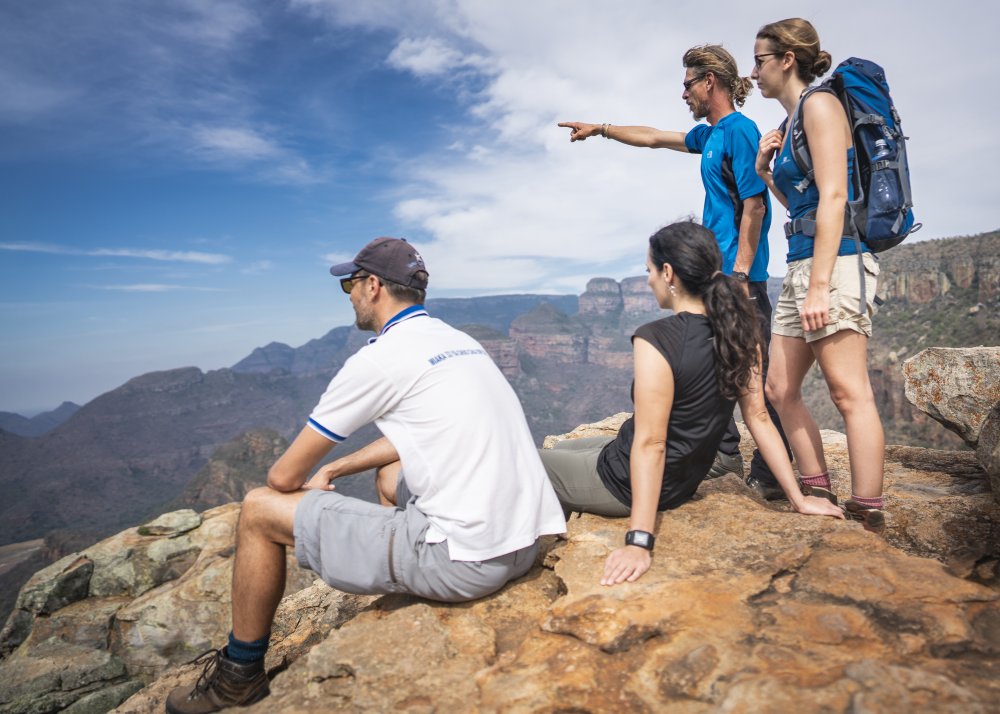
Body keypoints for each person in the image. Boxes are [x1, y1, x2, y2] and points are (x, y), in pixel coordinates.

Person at [165, 237, 567, 713]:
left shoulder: (379, 358)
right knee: (390, 472)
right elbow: (418, 435)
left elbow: (283, 476)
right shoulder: (459, 341)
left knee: (257, 511)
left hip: (466, 563)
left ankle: (238, 677)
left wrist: (310, 478)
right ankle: (399, 555)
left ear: (372, 285)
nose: (350, 295)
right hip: (524, 542)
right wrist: (336, 466)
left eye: (349, 284)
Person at [540, 222, 844, 585]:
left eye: (650, 271)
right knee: (565, 445)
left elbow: (651, 444)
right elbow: (760, 418)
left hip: (625, 483)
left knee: (523, 461)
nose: (650, 281)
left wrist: (639, 540)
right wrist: (798, 498)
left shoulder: (655, 339)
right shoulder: (741, 331)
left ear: (668, 273)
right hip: (680, 477)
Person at [558, 44, 790, 501]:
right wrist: (601, 129)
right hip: (716, 279)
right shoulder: (712, 135)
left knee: (758, 381)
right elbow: (654, 136)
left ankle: (770, 480)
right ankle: (724, 454)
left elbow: (755, 204)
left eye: (687, 84)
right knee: (715, 364)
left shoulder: (740, 131)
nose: (682, 93)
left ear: (710, 81)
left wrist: (740, 275)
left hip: (739, 281)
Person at [751, 18, 886, 534]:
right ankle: (816, 490)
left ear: (787, 59)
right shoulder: (790, 127)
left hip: (837, 264)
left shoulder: (821, 106)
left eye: (760, 60)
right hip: (802, 261)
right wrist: (766, 173)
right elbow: (803, 204)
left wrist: (821, 285)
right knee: (780, 387)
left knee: (848, 391)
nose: (755, 72)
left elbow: (835, 197)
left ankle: (867, 512)